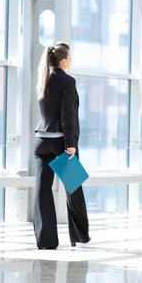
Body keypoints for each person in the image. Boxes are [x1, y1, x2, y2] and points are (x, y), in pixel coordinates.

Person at [32, 42, 90, 250]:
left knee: (42, 190)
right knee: (74, 187)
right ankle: (79, 237)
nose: (72, 60)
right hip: (61, 142)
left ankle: (46, 241)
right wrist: (71, 144)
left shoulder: (43, 77)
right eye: (70, 57)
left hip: (41, 141)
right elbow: (67, 115)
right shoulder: (68, 81)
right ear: (63, 60)